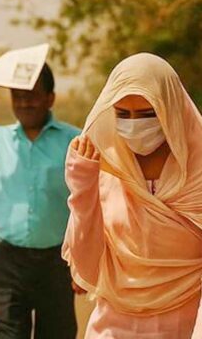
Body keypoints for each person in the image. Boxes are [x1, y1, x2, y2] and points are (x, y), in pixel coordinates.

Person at [63, 53, 202, 338]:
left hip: (184, 327)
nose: (135, 125)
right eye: (123, 114)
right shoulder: (103, 168)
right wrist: (83, 187)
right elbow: (88, 269)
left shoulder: (197, 170)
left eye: (148, 114)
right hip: (112, 327)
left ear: (171, 109)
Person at [0, 62, 80, 339]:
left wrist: (85, 263)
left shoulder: (75, 141)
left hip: (57, 263)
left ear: (50, 98)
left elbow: (92, 201)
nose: (25, 103)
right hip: (7, 265)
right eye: (18, 96)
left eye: (33, 95)